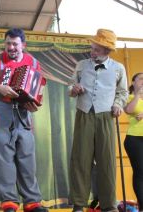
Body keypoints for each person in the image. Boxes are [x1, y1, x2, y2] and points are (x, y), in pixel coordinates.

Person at [0, 28, 47, 212]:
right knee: (0, 157)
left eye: (15, 44)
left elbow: (39, 87)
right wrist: (0, 88)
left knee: (27, 156)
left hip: (23, 113)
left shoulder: (33, 62)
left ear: (23, 45)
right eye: (8, 43)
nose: (11, 47)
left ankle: (32, 202)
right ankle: (9, 202)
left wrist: (35, 102)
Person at [68, 29, 128, 212]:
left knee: (106, 161)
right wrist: (74, 89)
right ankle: (79, 204)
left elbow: (123, 92)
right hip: (84, 114)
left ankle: (109, 205)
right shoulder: (81, 65)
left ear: (106, 50)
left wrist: (118, 104)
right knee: (80, 160)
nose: (92, 52)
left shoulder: (118, 68)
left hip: (106, 116)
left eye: (95, 49)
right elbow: (70, 86)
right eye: (92, 48)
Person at [124, 72, 143, 211]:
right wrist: (138, 94)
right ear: (134, 82)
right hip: (135, 139)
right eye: (141, 79)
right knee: (140, 172)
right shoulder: (129, 96)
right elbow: (129, 110)